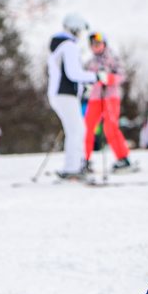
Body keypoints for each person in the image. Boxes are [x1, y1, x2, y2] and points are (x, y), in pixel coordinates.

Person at [47, 12, 101, 179]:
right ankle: (73, 168)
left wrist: (82, 87)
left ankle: (76, 164)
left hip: (61, 94)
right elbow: (73, 73)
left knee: (76, 130)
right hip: (65, 94)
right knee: (76, 130)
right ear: (75, 29)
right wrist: (96, 76)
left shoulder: (60, 46)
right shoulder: (69, 46)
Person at [83, 31, 132, 171]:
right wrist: (87, 85)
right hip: (94, 98)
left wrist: (109, 78)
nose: (96, 46)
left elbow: (122, 75)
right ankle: (84, 159)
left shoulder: (112, 58)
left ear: (104, 44)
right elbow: (85, 77)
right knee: (87, 127)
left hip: (110, 97)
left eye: (98, 43)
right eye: (93, 44)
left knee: (110, 127)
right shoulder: (90, 62)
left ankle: (123, 158)